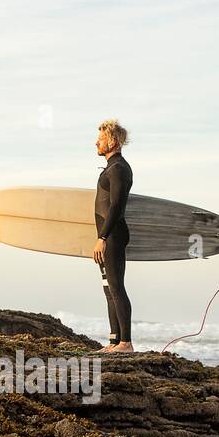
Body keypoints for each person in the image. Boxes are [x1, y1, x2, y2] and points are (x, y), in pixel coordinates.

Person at [93, 119, 133, 353]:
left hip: (113, 236)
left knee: (117, 287)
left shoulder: (119, 168)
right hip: (108, 236)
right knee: (108, 287)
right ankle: (114, 342)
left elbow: (117, 205)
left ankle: (126, 343)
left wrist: (103, 237)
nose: (96, 142)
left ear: (113, 141)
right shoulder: (112, 167)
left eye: (101, 138)